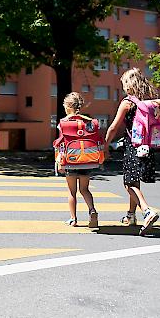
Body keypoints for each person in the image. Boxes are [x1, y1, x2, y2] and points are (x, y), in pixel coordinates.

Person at [104, 68, 160, 236]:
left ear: (129, 84)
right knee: (135, 182)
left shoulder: (128, 102)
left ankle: (147, 211)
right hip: (148, 146)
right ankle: (131, 216)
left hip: (133, 146)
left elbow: (114, 127)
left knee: (128, 184)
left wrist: (105, 144)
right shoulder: (151, 101)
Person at [55, 92, 98, 228]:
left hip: (70, 161)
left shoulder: (64, 123)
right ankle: (92, 210)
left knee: (71, 191)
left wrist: (59, 161)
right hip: (87, 160)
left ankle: (73, 219)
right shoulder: (89, 122)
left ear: (67, 106)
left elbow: (60, 144)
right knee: (85, 189)